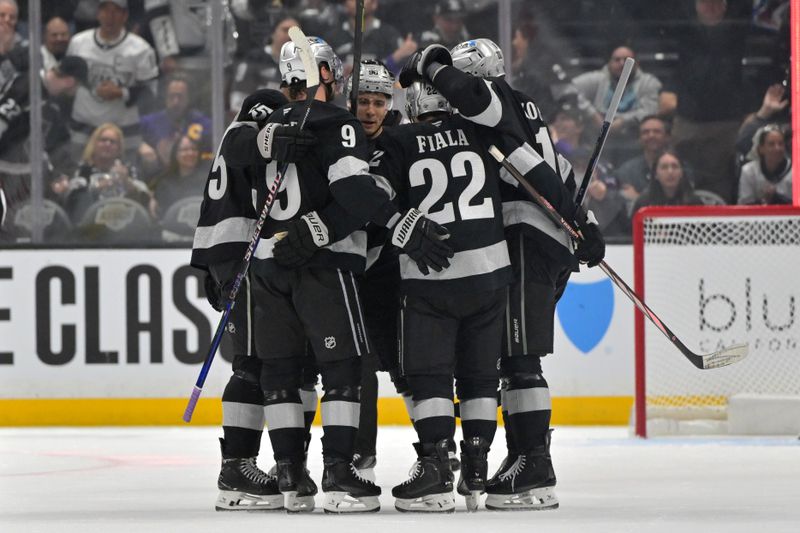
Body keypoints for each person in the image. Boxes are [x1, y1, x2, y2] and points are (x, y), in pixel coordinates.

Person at [237, 36, 453, 514]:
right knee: (334, 369)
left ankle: (319, 470)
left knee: (380, 367)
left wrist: (314, 229)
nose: (371, 109)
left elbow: (243, 158)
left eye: (379, 101)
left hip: (377, 272)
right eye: (363, 101)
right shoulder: (337, 125)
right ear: (339, 89)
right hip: (333, 269)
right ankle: (338, 465)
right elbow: (354, 192)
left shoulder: (391, 138)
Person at [399, 37, 606, 511]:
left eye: (454, 83)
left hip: (521, 239)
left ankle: (533, 466)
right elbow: (557, 170)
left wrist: (432, 64)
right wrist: (583, 223)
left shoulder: (491, 105)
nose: (449, 96)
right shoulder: (527, 109)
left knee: (519, 360)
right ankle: (525, 459)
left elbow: (528, 167)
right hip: (547, 243)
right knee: (517, 358)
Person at [376, 81, 510, 513]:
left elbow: (376, 196)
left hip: (430, 278)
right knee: (480, 377)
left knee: (430, 375)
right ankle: (476, 469)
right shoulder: (480, 131)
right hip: (489, 274)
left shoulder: (399, 138)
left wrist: (401, 224)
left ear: (413, 107)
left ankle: (435, 468)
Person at [192, 88, 297, 512]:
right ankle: (236, 469)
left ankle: (240, 465)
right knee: (251, 361)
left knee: (256, 357)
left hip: (222, 246)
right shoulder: (255, 122)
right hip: (240, 247)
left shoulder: (238, 128)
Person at [659, 0, 748, 203]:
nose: (712, 6)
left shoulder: (737, 31)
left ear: (726, 6)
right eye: (706, 3)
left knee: (725, 178)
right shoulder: (682, 30)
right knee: (675, 170)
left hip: (727, 123)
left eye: (717, 3)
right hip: (688, 120)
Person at [67, 0, 159, 156]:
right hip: (83, 128)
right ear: (98, 13)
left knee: (123, 176)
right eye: (105, 10)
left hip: (124, 131)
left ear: (125, 15)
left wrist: (121, 93)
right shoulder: (78, 43)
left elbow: (151, 93)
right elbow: (68, 83)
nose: (110, 16)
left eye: (116, 11)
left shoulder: (140, 49)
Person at [570, 44, 662, 163]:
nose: (622, 63)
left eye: (627, 60)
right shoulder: (597, 78)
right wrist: (592, 114)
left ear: (637, 63)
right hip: (597, 143)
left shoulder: (649, 82)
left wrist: (623, 122)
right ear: (609, 63)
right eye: (617, 60)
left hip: (634, 144)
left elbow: (651, 109)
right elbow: (568, 89)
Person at [64, 122, 151, 223]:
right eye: (103, 140)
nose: (107, 144)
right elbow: (72, 197)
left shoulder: (129, 170)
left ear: (119, 149)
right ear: (94, 144)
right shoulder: (82, 170)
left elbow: (145, 199)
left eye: (113, 142)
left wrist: (127, 182)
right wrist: (97, 187)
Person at [139, 72, 212, 173]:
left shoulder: (204, 124)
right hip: (158, 180)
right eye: (171, 97)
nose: (175, 102)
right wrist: (139, 147)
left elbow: (212, 155)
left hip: (194, 180)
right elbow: (126, 142)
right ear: (165, 97)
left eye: (180, 97)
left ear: (189, 98)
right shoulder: (148, 123)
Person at [228, 12, 299, 116]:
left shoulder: (306, 66)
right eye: (285, 30)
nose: (290, 36)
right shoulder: (254, 59)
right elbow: (237, 105)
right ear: (273, 33)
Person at [327, 0, 416, 76]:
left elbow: (399, 73)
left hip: (380, 92)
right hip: (345, 93)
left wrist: (400, 55)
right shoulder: (333, 36)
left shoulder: (389, 35)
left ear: (374, 4)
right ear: (345, 5)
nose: (358, 2)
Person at [615, 115, 675, 207]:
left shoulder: (679, 168)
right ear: (639, 139)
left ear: (667, 137)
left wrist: (638, 199)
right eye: (645, 132)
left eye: (657, 131)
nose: (651, 135)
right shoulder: (627, 171)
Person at [149, 134, 206, 217]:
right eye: (184, 150)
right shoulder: (165, 183)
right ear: (175, 154)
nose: (190, 153)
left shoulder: (210, 178)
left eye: (194, 149)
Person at [631, 149, 704, 213]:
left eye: (675, 166)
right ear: (656, 174)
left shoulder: (694, 202)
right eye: (664, 167)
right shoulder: (644, 202)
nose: (670, 172)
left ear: (682, 173)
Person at [737, 125, 792, 205]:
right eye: (771, 144)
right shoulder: (749, 171)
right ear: (760, 149)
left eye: (780, 144)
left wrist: (778, 199)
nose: (777, 148)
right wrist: (763, 202)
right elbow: (745, 205)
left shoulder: (796, 170)